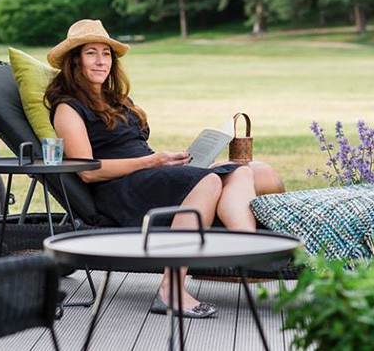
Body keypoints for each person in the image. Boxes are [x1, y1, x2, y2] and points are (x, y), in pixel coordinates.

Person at [44, 19, 285, 319]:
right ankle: (172, 289)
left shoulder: (115, 99)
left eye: (106, 54)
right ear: (75, 60)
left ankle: (248, 247)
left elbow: (137, 150)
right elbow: (88, 171)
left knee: (246, 170)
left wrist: (170, 162)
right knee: (210, 182)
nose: (101, 61)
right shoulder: (68, 108)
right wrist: (153, 161)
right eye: (91, 53)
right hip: (119, 189)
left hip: (149, 176)